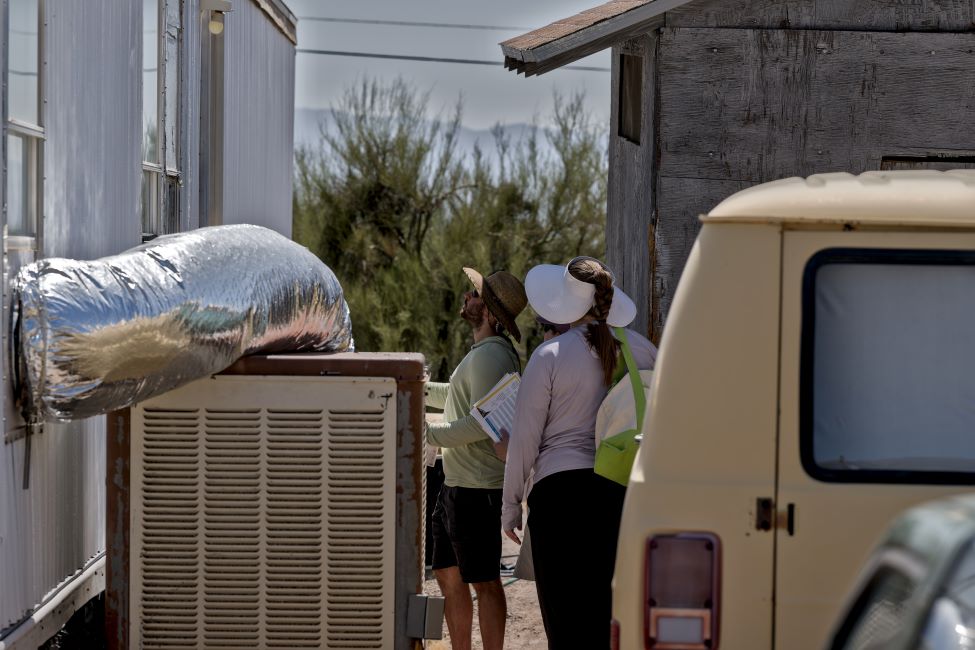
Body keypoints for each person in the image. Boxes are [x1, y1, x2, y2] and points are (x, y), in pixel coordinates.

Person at [501, 256, 657, 650]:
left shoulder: (550, 356)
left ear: (566, 303)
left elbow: (525, 438)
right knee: (611, 620)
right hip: (620, 495)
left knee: (565, 624)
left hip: (559, 499)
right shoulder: (644, 351)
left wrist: (511, 504)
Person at [425, 267, 527, 650]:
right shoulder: (483, 355)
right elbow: (457, 397)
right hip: (456, 486)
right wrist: (416, 387)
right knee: (448, 575)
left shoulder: (490, 358)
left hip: (476, 490)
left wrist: (427, 434)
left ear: (488, 312)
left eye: (474, 295)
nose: (466, 297)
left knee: (484, 581)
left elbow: (478, 424)